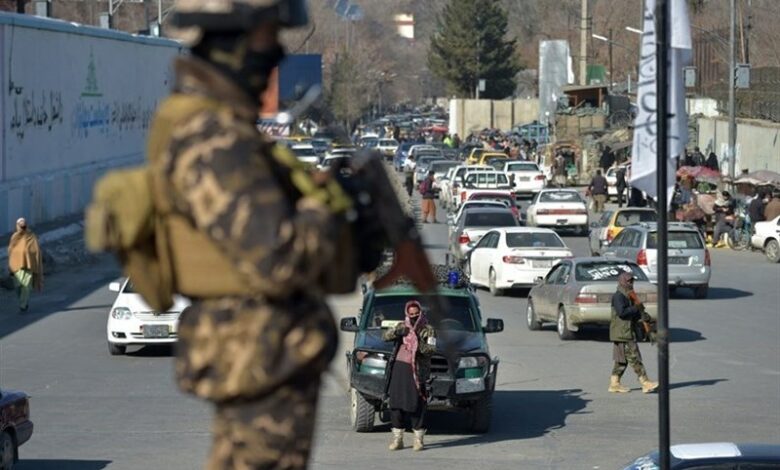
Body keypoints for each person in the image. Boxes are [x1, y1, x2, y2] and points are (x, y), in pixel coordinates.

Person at [159, 2, 349, 468]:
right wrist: (327, 212)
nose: (277, 53)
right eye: (268, 37)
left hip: (266, 355)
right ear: (231, 42)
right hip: (258, 358)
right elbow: (276, 258)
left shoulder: (222, 125)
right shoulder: (213, 135)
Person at [383, 300, 436, 451]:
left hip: (417, 371)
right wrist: (397, 332)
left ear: (421, 313)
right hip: (400, 368)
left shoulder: (428, 329)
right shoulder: (402, 325)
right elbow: (385, 337)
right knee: (396, 404)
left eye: (416, 314)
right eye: (411, 314)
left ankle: (418, 440)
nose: (413, 317)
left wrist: (417, 343)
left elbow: (431, 349)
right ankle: (398, 439)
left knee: (416, 404)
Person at [609, 272, 659, 394]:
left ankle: (614, 383)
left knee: (622, 360)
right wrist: (636, 308)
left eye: (632, 281)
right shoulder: (619, 296)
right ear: (622, 282)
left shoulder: (628, 296)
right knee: (634, 357)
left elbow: (635, 314)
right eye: (629, 281)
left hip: (625, 331)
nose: (631, 283)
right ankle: (645, 382)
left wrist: (645, 318)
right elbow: (622, 312)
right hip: (622, 332)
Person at [7, 217, 43, 313]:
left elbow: (36, 250)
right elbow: (10, 251)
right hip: (16, 266)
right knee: (18, 286)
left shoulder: (31, 236)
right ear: (17, 226)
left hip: (28, 265)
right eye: (20, 225)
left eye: (24, 225)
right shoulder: (14, 237)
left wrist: (33, 259)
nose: (22, 227)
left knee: (26, 287)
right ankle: (23, 301)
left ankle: (23, 305)